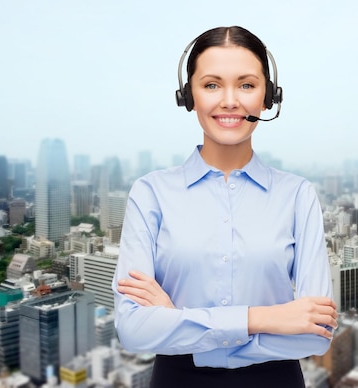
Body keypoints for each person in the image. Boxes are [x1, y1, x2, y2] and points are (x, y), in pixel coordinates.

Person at [113, 25, 337, 388]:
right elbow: (134, 330)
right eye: (212, 85)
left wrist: (179, 322)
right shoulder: (151, 193)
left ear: (269, 96)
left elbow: (314, 333)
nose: (230, 100)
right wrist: (264, 318)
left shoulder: (297, 195)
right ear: (189, 97)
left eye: (247, 85)